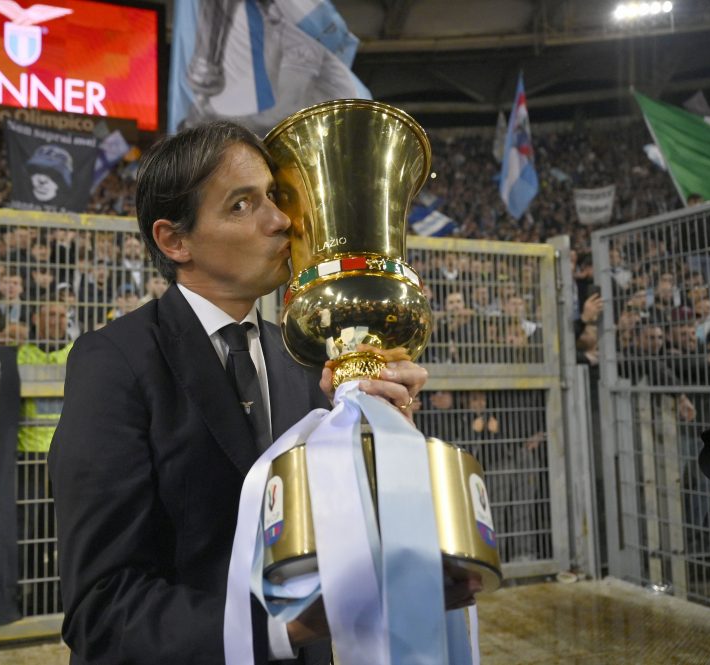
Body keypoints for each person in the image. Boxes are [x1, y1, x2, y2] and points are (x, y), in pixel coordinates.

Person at [48, 121, 436, 665]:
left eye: (274, 198)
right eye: (241, 205)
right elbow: (102, 609)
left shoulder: (309, 362)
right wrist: (282, 629)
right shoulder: (113, 362)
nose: (281, 221)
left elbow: (343, 543)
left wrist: (384, 434)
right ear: (174, 240)